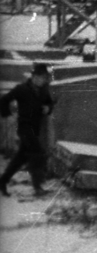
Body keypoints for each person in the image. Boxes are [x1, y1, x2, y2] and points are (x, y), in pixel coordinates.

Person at [0, 62, 55, 197]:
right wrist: (7, 113)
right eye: (38, 77)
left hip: (35, 128)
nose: (41, 80)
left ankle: (3, 180)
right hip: (25, 128)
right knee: (38, 154)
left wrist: (48, 108)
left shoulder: (44, 91)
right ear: (33, 77)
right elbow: (4, 99)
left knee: (21, 158)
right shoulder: (22, 89)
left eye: (43, 78)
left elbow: (49, 103)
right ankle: (38, 187)